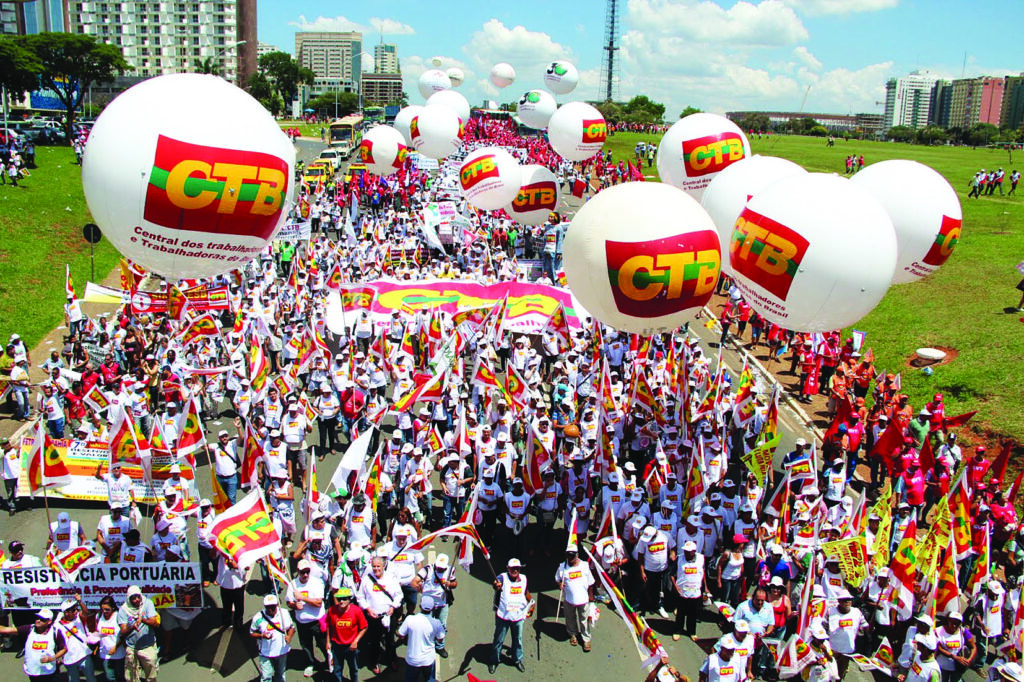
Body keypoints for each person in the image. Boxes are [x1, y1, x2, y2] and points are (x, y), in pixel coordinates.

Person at [489, 558, 534, 674]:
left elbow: (525, 592)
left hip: (518, 617)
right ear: (508, 568)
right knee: (498, 640)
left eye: (517, 568)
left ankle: (517, 659)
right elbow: (496, 584)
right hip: (503, 616)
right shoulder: (502, 577)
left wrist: (532, 602)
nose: (515, 570)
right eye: (512, 568)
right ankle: (494, 660)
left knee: (517, 640)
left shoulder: (523, 579)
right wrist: (497, 585)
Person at [0, 608, 68, 681]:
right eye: (37, 618)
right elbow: (6, 630)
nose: (38, 621)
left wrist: (52, 658)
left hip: (50, 672)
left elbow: (64, 649)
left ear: (49, 621)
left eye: (42, 619)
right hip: (33, 672)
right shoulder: (29, 629)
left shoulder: (55, 632)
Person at [287, 559, 327, 678]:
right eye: (303, 572)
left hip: (317, 621)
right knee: (306, 645)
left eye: (307, 572)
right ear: (298, 571)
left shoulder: (317, 582)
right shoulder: (293, 584)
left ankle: (330, 661)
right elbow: (289, 602)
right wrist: (294, 605)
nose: (305, 575)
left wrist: (302, 598)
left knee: (323, 643)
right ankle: (310, 664)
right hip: (302, 622)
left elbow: (318, 603)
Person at [555, 543, 596, 651]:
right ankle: (572, 633)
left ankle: (586, 639)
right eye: (568, 555)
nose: (570, 558)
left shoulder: (585, 566)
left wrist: (591, 596)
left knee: (584, 619)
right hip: (569, 599)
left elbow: (591, 583)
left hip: (583, 600)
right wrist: (559, 585)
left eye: (572, 555)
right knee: (570, 618)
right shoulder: (562, 567)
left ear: (577, 555)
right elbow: (557, 579)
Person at [117, 585, 160, 682]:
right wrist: (132, 627)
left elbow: (153, 622)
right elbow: (123, 632)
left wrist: (143, 620)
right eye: (133, 598)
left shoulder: (147, 603)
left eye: (138, 597)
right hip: (132, 646)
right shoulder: (123, 610)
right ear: (129, 599)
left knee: (151, 672)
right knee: (131, 674)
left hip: (147, 645)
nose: (136, 600)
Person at [250, 595, 295, 682]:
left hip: (282, 651)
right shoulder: (258, 618)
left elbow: (291, 628)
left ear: (277, 605)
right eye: (267, 607)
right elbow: (252, 633)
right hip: (266, 652)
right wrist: (262, 636)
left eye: (272, 607)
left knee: (280, 674)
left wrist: (289, 636)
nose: (270, 609)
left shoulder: (284, 613)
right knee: (266, 677)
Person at [326, 587, 367, 682]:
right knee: (337, 670)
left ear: (349, 599)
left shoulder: (356, 611)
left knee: (354, 669)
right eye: (339, 599)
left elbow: (364, 627)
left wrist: (356, 641)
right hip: (337, 646)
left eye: (344, 599)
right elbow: (328, 626)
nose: (342, 601)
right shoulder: (332, 611)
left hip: (351, 646)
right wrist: (328, 641)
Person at [397, 606, 445, 682]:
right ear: (432, 609)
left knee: (410, 679)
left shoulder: (410, 619)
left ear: (420, 607)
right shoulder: (437, 623)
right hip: (428, 659)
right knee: (429, 679)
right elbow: (440, 640)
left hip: (413, 659)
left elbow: (400, 635)